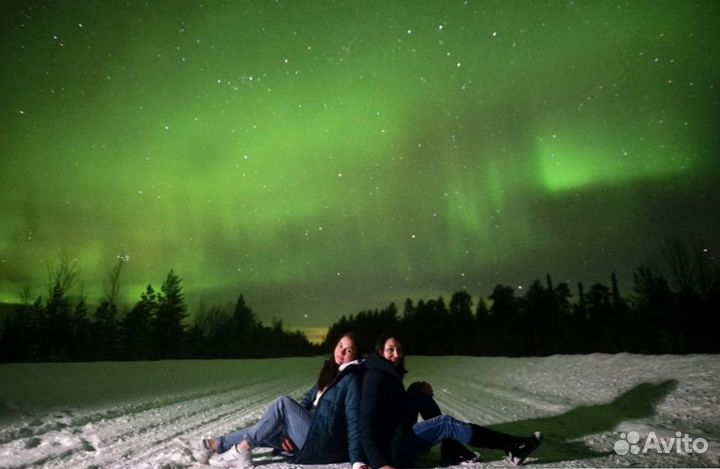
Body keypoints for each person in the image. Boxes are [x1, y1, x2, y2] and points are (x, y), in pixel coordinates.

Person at [178, 333, 367, 469]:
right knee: (266, 428)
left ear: (355, 356)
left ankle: (241, 451)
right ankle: (210, 445)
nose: (341, 352)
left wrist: (357, 460)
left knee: (282, 403)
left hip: (323, 441)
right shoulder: (332, 373)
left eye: (348, 350)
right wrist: (288, 429)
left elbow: (353, 420)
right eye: (340, 345)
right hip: (310, 432)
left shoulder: (351, 379)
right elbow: (308, 401)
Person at [360, 333, 542, 468]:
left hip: (398, 434)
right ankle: (512, 445)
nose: (396, 354)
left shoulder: (388, 374)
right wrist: (380, 464)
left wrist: (418, 392)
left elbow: (398, 408)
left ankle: (451, 449)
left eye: (399, 349)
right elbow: (366, 424)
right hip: (394, 450)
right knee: (446, 424)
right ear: (380, 352)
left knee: (418, 390)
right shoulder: (376, 378)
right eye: (390, 349)